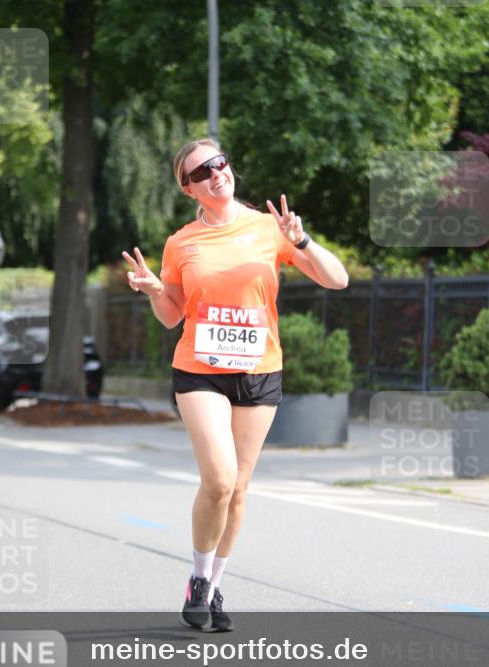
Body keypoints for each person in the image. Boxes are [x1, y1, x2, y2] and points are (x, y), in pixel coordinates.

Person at [122, 139, 348, 631]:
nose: (215, 173)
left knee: (240, 490)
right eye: (201, 171)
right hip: (200, 369)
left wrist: (302, 240)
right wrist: (156, 290)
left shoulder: (271, 228)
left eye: (219, 162)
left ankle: (216, 583)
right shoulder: (182, 242)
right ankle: (199, 579)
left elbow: (338, 280)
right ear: (189, 189)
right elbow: (171, 317)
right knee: (220, 479)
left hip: (259, 370)